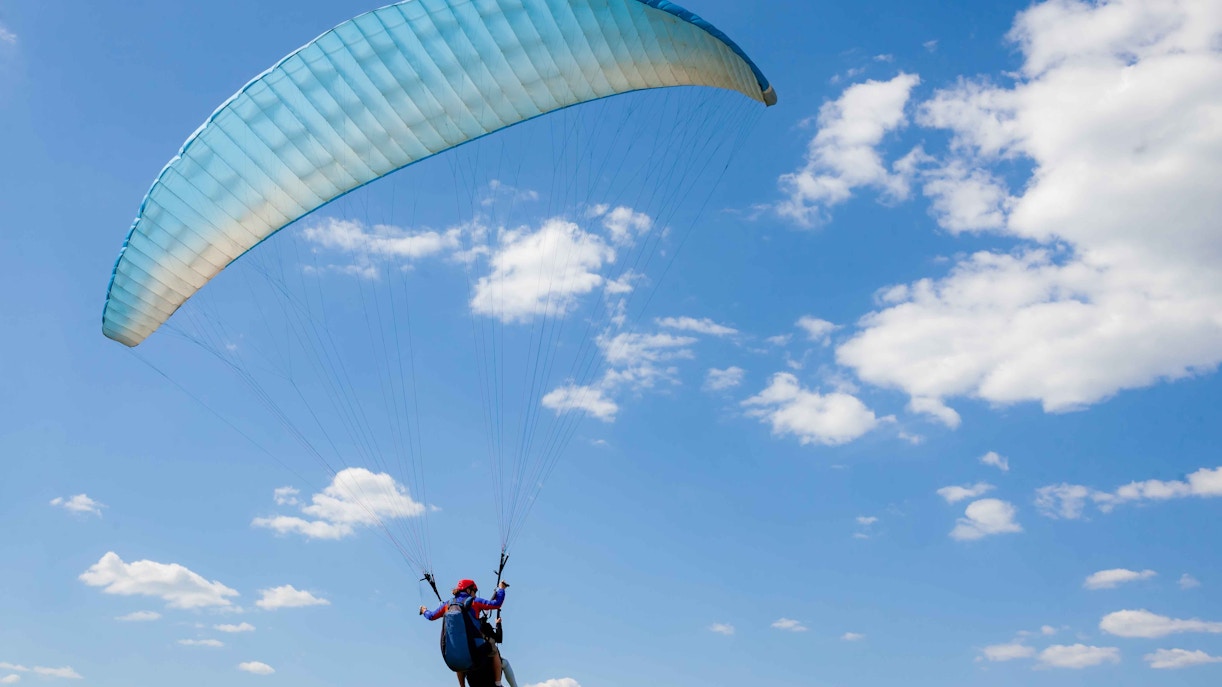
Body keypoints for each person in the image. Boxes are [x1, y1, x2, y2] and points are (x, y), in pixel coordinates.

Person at [421, 579, 509, 687]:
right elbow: (497, 604)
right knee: (494, 649)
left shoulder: (447, 605)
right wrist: (501, 589)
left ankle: (462, 685)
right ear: (468, 590)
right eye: (474, 591)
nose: (475, 594)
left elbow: (431, 616)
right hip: (476, 647)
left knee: (459, 653)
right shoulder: (474, 601)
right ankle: (498, 683)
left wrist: (424, 610)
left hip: (453, 651)